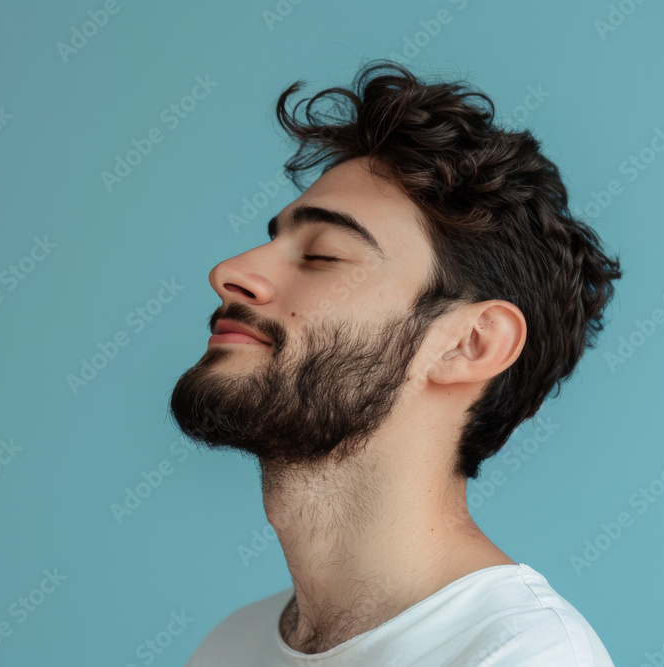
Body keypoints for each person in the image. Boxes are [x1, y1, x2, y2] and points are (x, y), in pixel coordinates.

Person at [168, 60, 621, 665]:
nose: (230, 273)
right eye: (272, 239)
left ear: (471, 344)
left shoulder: (519, 655)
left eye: (323, 255)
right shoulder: (231, 643)